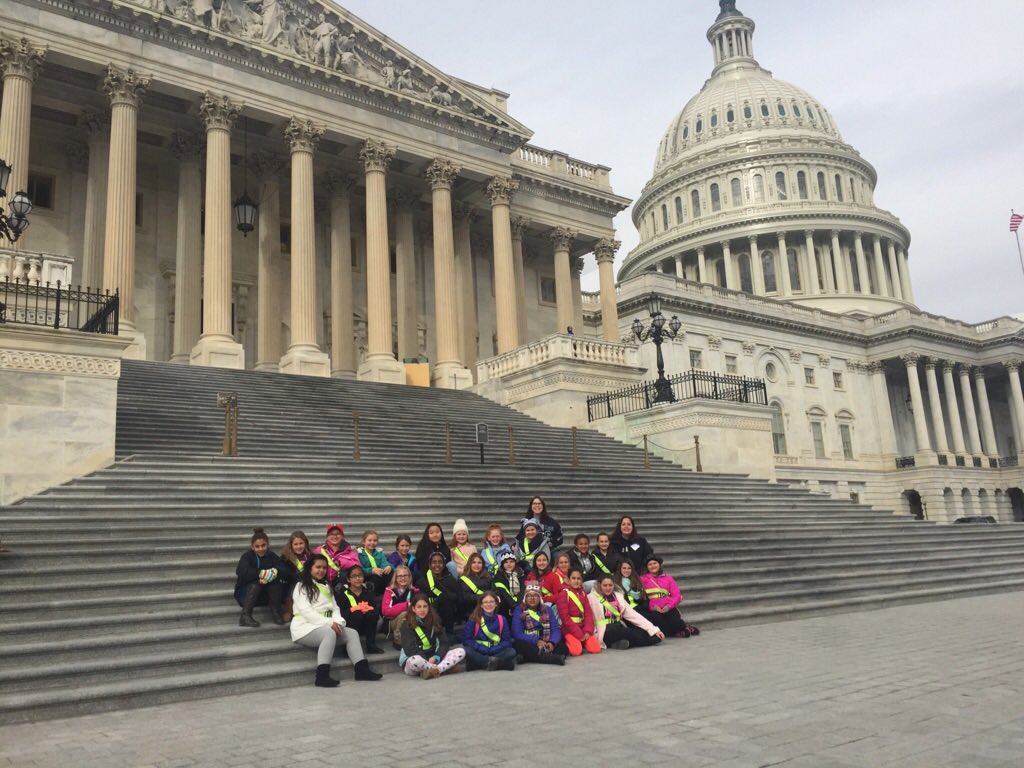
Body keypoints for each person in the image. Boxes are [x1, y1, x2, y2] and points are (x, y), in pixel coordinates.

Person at [290, 554, 382, 686]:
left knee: (351, 633)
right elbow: (306, 611)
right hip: (305, 627)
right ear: (310, 568)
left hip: (327, 625)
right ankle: (322, 676)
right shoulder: (301, 586)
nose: (321, 570)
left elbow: (335, 608)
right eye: (318, 567)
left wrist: (339, 622)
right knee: (329, 633)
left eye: (324, 567)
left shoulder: (327, 585)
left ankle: (361, 670)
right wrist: (329, 624)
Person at [398, 593, 465, 679]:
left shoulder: (435, 621)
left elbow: (444, 643)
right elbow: (409, 649)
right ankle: (441, 669)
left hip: (433, 658)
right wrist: (426, 661)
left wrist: (436, 657)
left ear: (429, 608)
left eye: (425, 606)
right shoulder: (406, 625)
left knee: (461, 651)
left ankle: (435, 670)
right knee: (415, 660)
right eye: (419, 607)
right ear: (413, 609)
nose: (422, 609)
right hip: (415, 659)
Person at [588, 575, 664, 650]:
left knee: (640, 631)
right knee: (626, 632)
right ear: (599, 585)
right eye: (605, 585)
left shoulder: (618, 596)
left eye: (610, 585)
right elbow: (587, 618)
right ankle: (648, 642)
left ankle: (617, 643)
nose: (608, 588)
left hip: (618, 626)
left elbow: (634, 615)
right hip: (604, 631)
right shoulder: (591, 598)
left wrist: (654, 630)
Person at [234, 528, 285, 627]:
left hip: (265, 595)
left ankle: (276, 612)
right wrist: (262, 574)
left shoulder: (271, 555)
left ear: (268, 545)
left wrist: (273, 573)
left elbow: (283, 569)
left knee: (275, 582)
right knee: (256, 584)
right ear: (252, 547)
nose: (261, 549)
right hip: (246, 594)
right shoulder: (247, 556)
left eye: (263, 545)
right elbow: (242, 572)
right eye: (257, 546)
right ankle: (245, 616)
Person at [641, 555, 699, 638]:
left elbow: (676, 595)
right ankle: (678, 631)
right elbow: (643, 598)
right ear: (647, 567)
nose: (653, 566)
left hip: (669, 607)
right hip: (654, 609)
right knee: (660, 625)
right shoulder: (643, 579)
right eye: (650, 564)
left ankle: (683, 627)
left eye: (655, 563)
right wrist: (653, 607)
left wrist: (668, 606)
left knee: (675, 622)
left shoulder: (668, 578)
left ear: (659, 565)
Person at [511, 582, 567, 665]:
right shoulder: (519, 610)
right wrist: (536, 641)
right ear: (525, 598)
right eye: (529, 596)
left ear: (540, 598)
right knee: (519, 645)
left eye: (535, 596)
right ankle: (548, 658)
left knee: (563, 647)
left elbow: (555, 629)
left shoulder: (547, 609)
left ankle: (529, 657)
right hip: (530, 641)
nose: (532, 598)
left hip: (546, 639)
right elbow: (517, 633)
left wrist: (552, 642)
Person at [463, 592, 517, 671]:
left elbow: (506, 641)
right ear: (481, 605)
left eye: (491, 602)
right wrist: (481, 648)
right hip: (480, 650)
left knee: (511, 652)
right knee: (466, 650)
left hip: (496, 650)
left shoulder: (502, 619)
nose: (489, 604)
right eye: (486, 602)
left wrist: (494, 649)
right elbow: (467, 640)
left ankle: (481, 663)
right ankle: (498, 663)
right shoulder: (474, 619)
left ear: (496, 604)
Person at [337, 566, 384, 654]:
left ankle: (371, 645)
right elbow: (341, 614)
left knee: (372, 613)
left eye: (360, 575)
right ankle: (348, 646)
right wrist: (354, 609)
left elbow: (374, 609)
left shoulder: (368, 593)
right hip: (350, 626)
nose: (358, 578)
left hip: (367, 625)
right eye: (354, 576)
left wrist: (366, 609)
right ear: (348, 579)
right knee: (356, 614)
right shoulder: (343, 594)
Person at [554, 568, 600, 656]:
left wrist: (587, 631)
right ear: (568, 579)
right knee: (576, 651)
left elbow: (588, 614)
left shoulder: (583, 593)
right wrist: (579, 634)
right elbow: (565, 618)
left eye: (578, 579)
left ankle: (580, 641)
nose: (576, 581)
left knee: (596, 648)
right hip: (569, 629)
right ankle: (571, 642)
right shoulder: (563, 594)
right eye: (573, 578)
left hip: (583, 627)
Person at [415, 551, 458, 639]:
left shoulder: (450, 579)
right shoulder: (422, 581)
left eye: (440, 562)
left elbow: (459, 597)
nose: (437, 565)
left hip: (448, 613)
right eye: (434, 562)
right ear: (429, 565)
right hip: (429, 612)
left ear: (444, 564)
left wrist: (443, 597)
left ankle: (449, 633)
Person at [278, 530, 311, 621]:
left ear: (305, 543)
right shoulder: (285, 557)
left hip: (309, 585)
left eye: (301, 543)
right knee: (296, 584)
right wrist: (299, 577)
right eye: (296, 544)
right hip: (291, 585)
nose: (299, 546)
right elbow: (284, 573)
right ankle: (288, 610)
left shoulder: (310, 556)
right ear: (291, 545)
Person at [382, 565, 417, 646]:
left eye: (405, 575)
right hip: (392, 622)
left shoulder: (415, 591)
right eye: (400, 576)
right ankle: (398, 639)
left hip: (411, 621)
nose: (403, 578)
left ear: (409, 577)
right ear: (396, 578)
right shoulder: (389, 591)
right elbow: (386, 611)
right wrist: (406, 605)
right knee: (405, 614)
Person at [357, 530, 392, 597]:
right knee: (376, 578)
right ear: (363, 542)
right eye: (369, 540)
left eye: (375, 540)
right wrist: (372, 570)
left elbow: (384, 562)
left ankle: (389, 594)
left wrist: (387, 566)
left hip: (380, 574)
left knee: (391, 572)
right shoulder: (359, 553)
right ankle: (374, 596)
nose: (372, 543)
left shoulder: (379, 552)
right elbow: (360, 569)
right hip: (368, 577)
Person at [457, 552, 491, 621]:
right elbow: (466, 597)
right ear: (469, 564)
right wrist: (483, 598)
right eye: (474, 562)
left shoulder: (488, 577)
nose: (476, 565)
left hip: (489, 609)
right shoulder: (464, 579)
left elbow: (494, 591)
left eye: (479, 563)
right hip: (472, 611)